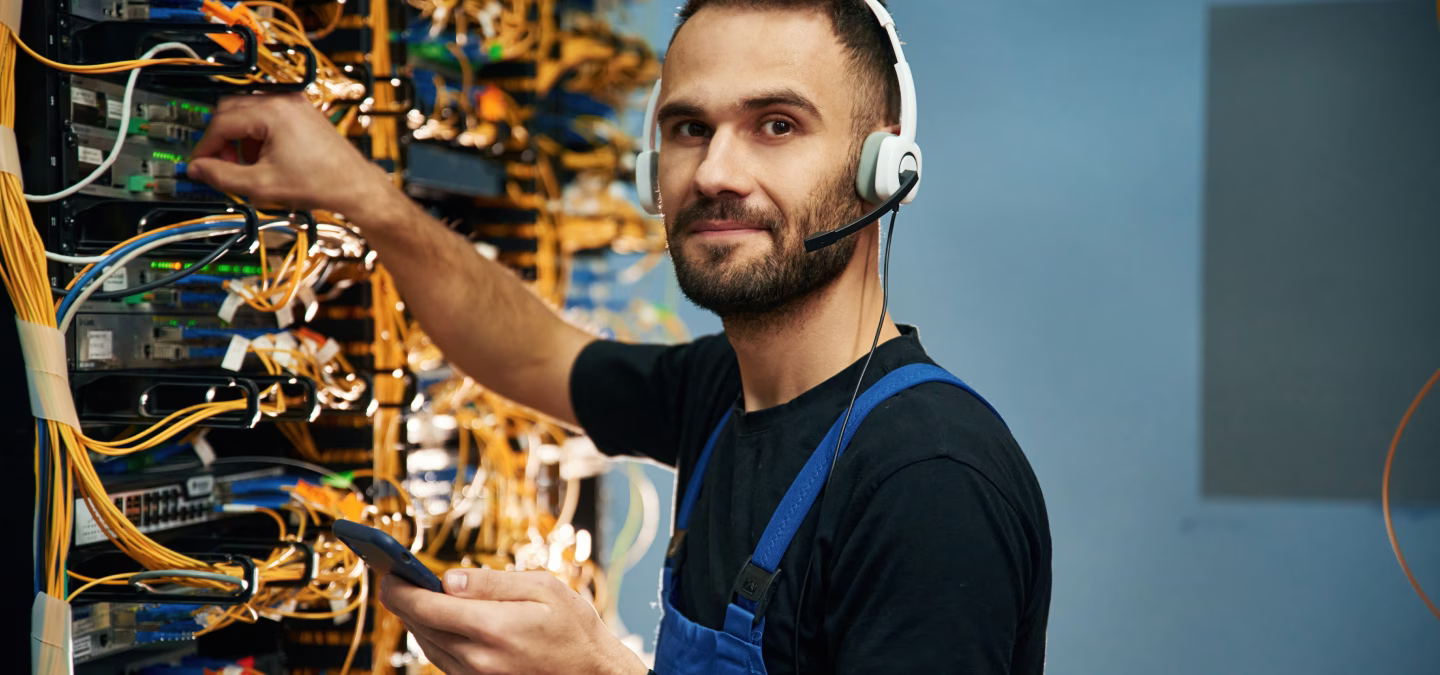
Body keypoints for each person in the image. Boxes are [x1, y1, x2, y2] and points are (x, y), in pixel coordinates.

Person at [188, 0, 1051, 672]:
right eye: (688, 129)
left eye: (776, 125)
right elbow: (531, 349)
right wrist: (363, 193)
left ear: (882, 171)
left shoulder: (931, 483)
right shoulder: (723, 391)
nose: (715, 171)